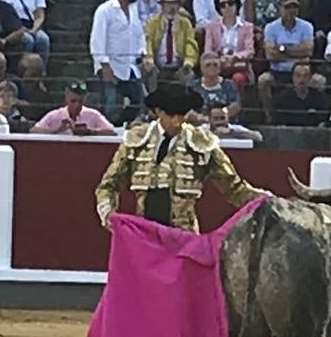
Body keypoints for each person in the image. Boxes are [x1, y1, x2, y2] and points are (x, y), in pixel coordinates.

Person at [95, 82, 267, 232]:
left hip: (184, 237)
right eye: (171, 115)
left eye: (182, 114)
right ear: (158, 112)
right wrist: (107, 211)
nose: (177, 121)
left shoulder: (201, 143)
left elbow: (234, 188)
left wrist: (265, 200)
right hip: (144, 235)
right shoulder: (137, 140)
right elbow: (109, 184)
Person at [31, 79, 117, 134]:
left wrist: (90, 131)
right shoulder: (55, 115)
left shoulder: (93, 115)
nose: (77, 105)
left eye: (80, 101)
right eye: (73, 101)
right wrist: (57, 130)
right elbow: (34, 130)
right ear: (66, 97)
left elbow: (112, 131)